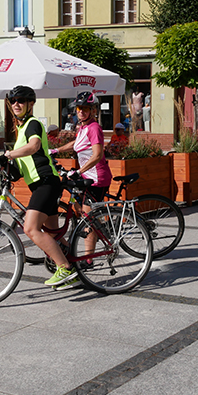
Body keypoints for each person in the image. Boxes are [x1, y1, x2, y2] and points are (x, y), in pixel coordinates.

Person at [3, 85, 78, 291]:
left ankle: (64, 267)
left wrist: (10, 153)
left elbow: (34, 147)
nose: (16, 104)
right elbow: (24, 163)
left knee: (30, 228)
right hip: (41, 183)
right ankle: (74, 266)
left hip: (46, 182)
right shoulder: (20, 129)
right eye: (13, 100)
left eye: (21, 100)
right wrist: (2, 163)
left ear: (30, 104)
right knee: (52, 232)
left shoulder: (32, 123)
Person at [54, 91, 113, 267]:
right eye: (79, 108)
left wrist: (79, 171)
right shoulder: (83, 127)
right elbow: (75, 144)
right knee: (82, 212)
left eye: (86, 108)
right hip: (87, 176)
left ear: (93, 110)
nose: (81, 112)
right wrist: (56, 151)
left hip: (96, 179)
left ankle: (88, 259)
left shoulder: (94, 128)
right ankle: (95, 233)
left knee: (89, 219)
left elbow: (97, 155)